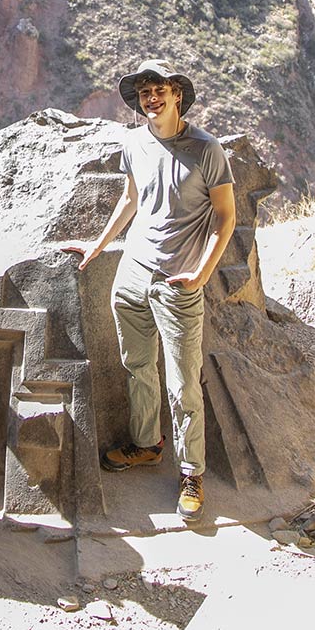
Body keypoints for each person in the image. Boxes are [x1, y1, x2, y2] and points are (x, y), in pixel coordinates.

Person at [64, 59, 235, 521]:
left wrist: (200, 274)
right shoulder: (134, 142)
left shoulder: (206, 150)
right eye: (144, 93)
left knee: (183, 384)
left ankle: (192, 474)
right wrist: (98, 247)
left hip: (178, 281)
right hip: (133, 273)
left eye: (159, 90)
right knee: (137, 365)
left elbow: (225, 218)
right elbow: (130, 199)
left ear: (177, 94)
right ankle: (147, 445)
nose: (151, 99)